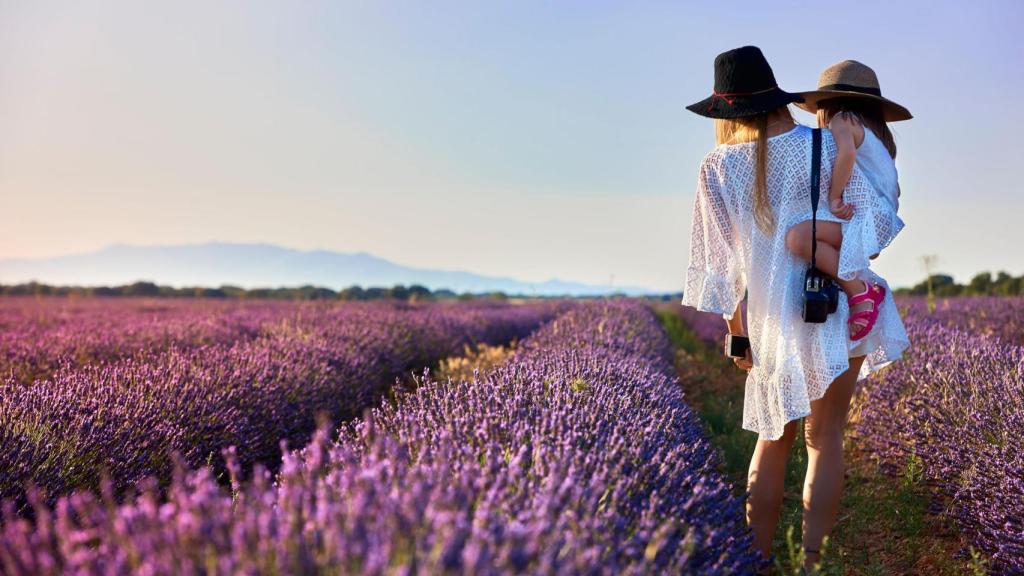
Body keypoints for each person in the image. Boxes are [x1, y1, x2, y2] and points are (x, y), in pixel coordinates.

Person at [681, 46, 910, 572]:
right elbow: (873, 233)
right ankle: (812, 564)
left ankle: (755, 560)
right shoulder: (827, 145)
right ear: (778, 98)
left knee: (771, 441)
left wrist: (737, 331)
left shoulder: (716, 166)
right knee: (825, 440)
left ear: (729, 111)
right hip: (836, 311)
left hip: (772, 325)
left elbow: (721, 269)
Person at [783, 60, 913, 341]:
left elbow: (846, 155)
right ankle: (854, 288)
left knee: (798, 239)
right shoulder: (878, 139)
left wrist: (833, 196)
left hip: (869, 220)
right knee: (808, 240)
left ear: (826, 104)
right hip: (880, 222)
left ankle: (860, 291)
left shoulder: (842, 118)